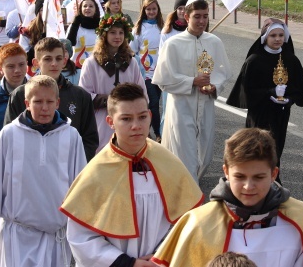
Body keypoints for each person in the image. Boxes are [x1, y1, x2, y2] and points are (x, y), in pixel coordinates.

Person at [152, 128, 303, 267]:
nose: (249, 187)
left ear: (274, 174)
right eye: (240, 177)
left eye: (259, 177)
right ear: (226, 171)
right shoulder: (199, 223)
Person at [60, 82, 203, 267]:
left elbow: (188, 221)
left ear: (150, 116)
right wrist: (129, 263)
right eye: (126, 119)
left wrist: (162, 255)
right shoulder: (96, 172)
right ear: (110, 122)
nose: (136, 125)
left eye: (142, 117)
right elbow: (81, 237)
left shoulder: (168, 163)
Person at [0, 75, 87, 267]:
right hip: (17, 236)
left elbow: (81, 188)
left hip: (56, 237)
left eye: (49, 102)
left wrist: (83, 236)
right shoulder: (10, 134)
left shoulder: (71, 137)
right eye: (38, 101)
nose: (44, 107)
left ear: (58, 103)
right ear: (26, 103)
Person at [152, 0, 231, 183]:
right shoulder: (173, 44)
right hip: (182, 108)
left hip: (206, 106)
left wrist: (214, 86)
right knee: (186, 158)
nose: (202, 21)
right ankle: (189, 199)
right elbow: (163, 79)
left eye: (205, 16)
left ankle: (191, 186)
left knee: (206, 156)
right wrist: (191, 81)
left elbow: (223, 73)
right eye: (197, 17)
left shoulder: (214, 42)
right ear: (186, 17)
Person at [227, 18, 303, 177]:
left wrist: (289, 99)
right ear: (265, 37)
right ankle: (260, 178)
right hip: (260, 113)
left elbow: (299, 88)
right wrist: (269, 92)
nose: (278, 39)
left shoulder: (291, 60)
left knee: (276, 149)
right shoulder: (254, 60)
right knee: (257, 148)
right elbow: (247, 91)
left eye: (281, 35)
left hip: (281, 113)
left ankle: (272, 178)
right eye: (273, 35)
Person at [4, 37, 99, 162]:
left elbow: (89, 139)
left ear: (64, 61)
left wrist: (78, 165)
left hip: (69, 171)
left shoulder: (80, 96)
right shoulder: (20, 94)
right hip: (30, 168)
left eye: (58, 58)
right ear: (36, 62)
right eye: (48, 59)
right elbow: (9, 137)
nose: (54, 63)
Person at [78, 13, 147, 152]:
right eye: (113, 32)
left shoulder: (131, 62)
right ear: (104, 35)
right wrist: (110, 101)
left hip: (127, 118)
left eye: (121, 33)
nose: (118, 36)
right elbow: (84, 95)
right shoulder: (92, 63)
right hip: (102, 120)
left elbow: (142, 92)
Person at [130, 0, 165, 141]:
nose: (151, 12)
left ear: (158, 10)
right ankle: (157, 133)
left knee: (158, 104)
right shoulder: (138, 28)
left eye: (154, 9)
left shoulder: (163, 27)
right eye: (148, 9)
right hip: (146, 73)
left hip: (161, 71)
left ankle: (151, 129)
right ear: (144, 10)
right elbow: (132, 50)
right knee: (153, 103)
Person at [158, 0, 189, 135]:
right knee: (168, 111)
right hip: (171, 78)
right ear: (176, 10)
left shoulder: (194, 32)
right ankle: (164, 140)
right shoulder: (167, 31)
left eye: (186, 8)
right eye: (180, 8)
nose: (183, 11)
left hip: (188, 78)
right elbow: (162, 57)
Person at [66, 0, 100, 77]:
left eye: (91, 6)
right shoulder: (75, 25)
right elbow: (70, 43)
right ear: (80, 9)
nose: (87, 8)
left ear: (96, 10)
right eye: (85, 6)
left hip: (95, 67)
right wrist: (75, 25)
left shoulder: (101, 26)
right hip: (77, 67)